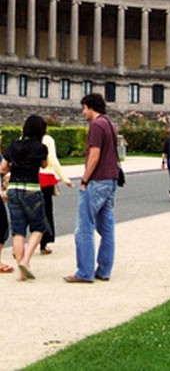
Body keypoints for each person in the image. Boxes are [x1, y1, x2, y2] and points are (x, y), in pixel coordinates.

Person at [66, 93, 120, 284]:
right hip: (111, 179)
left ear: (90, 107)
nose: (83, 112)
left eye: (84, 108)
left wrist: (84, 179)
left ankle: (84, 272)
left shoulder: (96, 125)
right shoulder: (109, 124)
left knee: (84, 227)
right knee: (106, 228)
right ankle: (104, 270)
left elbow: (94, 155)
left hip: (97, 180)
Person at [2, 115, 50, 280]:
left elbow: (3, 167)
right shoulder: (40, 147)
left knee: (18, 230)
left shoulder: (14, 144)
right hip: (31, 188)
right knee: (38, 227)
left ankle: (21, 272)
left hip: (14, 188)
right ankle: (26, 260)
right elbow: (44, 165)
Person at [37, 127, 73, 255]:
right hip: (45, 177)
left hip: (30, 178)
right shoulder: (47, 140)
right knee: (46, 211)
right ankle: (44, 243)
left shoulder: (23, 140)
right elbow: (52, 160)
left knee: (26, 213)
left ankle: (18, 244)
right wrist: (64, 178)